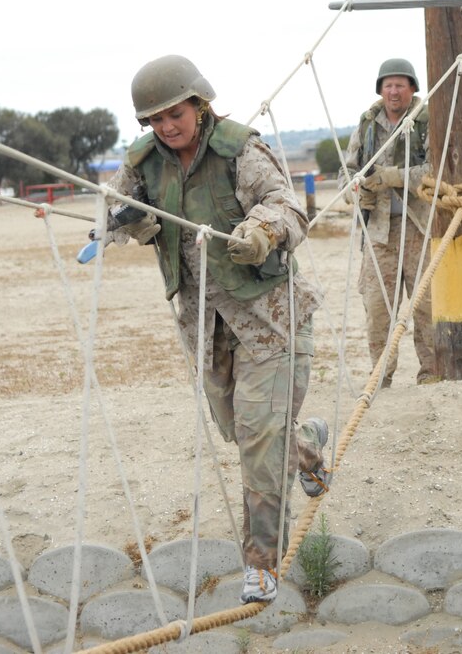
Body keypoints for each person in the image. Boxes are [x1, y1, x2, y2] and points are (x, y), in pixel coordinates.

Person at [98, 54, 331, 604]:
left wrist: (261, 232)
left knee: (257, 440)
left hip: (270, 320)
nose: (166, 127)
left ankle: (261, 564)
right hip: (206, 327)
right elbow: (112, 209)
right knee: (241, 432)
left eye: (174, 114)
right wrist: (129, 222)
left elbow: (288, 209)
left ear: (199, 105)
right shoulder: (144, 162)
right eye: (154, 120)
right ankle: (310, 445)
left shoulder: (240, 150)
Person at [344, 58, 440, 387]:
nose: (394, 91)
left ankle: (432, 376)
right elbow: (349, 172)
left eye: (400, 84)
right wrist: (357, 195)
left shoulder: (427, 121)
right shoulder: (367, 125)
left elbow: (437, 171)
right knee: (377, 308)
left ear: (412, 88)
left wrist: (392, 177)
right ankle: (380, 377)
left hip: (420, 227)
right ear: (380, 89)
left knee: (428, 306)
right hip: (379, 232)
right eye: (388, 85)